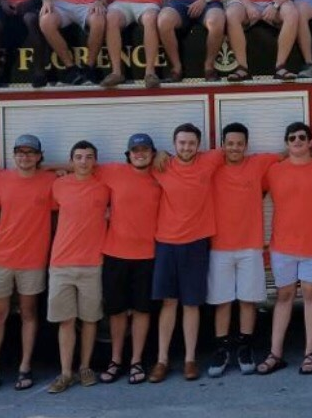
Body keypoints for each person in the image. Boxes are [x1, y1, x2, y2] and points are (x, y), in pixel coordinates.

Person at [148, 123, 224, 382]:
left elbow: (241, 151)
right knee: (168, 303)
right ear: (173, 144)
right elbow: (132, 161)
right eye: (181, 143)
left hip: (196, 243)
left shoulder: (210, 160)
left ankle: (190, 360)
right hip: (166, 243)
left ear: (199, 145)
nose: (186, 147)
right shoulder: (161, 165)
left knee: (192, 304)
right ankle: (162, 361)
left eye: (191, 143)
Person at [0, 133, 56, 394]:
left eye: (30, 152)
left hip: (32, 259)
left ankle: (25, 367)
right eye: (20, 152)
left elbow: (79, 171)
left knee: (29, 313)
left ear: (39, 156)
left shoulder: (50, 181)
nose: (25, 157)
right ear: (13, 155)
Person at [257, 121, 312, 376]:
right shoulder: (274, 171)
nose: (297, 141)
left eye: (303, 137)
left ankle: (310, 352)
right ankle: (275, 353)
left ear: (311, 142)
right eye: (292, 138)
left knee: (311, 294)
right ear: (286, 143)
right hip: (283, 245)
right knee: (284, 296)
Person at [205, 122, 279, 378]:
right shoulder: (211, 165)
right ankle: (222, 349)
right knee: (222, 301)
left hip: (250, 246)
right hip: (220, 246)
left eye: (239, 144)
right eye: (230, 143)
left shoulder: (257, 164)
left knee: (248, 300)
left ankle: (245, 348)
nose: (234, 148)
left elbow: (292, 152)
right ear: (222, 145)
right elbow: (179, 160)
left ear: (246, 146)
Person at [94, 133, 162, 385]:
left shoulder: (161, 175)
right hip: (115, 254)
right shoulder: (113, 171)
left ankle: (136, 361)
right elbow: (80, 166)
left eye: (145, 149)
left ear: (153, 153)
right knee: (117, 311)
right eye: (135, 150)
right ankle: (116, 360)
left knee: (143, 310)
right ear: (128, 154)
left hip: (148, 255)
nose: (140, 153)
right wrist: (53, 172)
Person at [46, 140, 110, 393]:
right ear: (71, 160)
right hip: (61, 263)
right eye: (79, 157)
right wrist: (59, 167)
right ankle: (65, 372)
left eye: (89, 157)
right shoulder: (58, 185)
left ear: (95, 161)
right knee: (66, 320)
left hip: (92, 263)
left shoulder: (105, 185)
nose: (84, 161)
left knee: (90, 319)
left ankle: (85, 367)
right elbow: (40, 171)